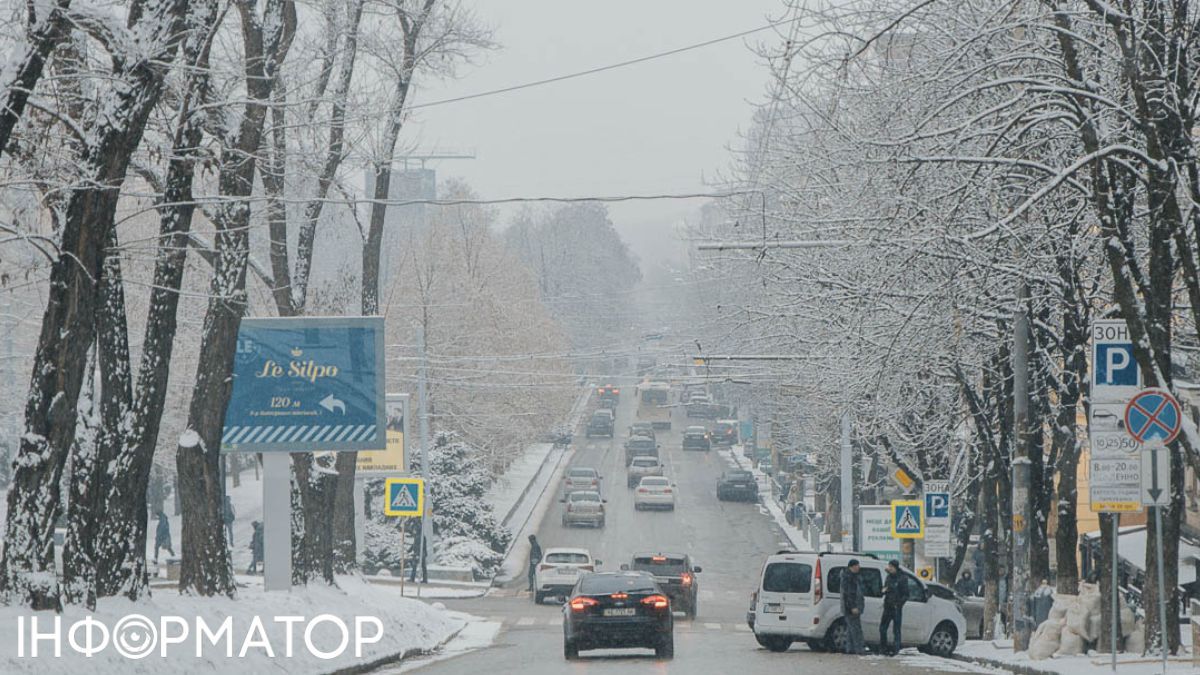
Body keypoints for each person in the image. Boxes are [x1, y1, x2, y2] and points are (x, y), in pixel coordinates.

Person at [880, 559, 906, 655]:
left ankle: (896, 649)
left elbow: (906, 594)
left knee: (896, 630)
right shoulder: (889, 577)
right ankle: (883, 648)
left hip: (896, 607)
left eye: (891, 567)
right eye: (889, 566)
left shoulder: (902, 578)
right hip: (887, 605)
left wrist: (899, 604)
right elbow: (885, 588)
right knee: (882, 628)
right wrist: (884, 590)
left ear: (895, 567)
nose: (889, 568)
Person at [841, 559, 866, 654]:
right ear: (852, 567)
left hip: (851, 607)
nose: (858, 567)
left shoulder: (852, 576)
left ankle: (850, 649)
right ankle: (859, 649)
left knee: (851, 629)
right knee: (856, 629)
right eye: (857, 565)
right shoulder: (848, 578)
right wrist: (853, 606)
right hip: (851, 608)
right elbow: (849, 594)